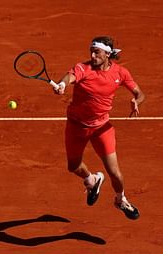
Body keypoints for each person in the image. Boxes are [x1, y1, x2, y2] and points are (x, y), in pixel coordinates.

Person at [54, 36, 145, 220]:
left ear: (108, 54)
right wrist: (63, 84)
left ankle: (121, 200)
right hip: (76, 126)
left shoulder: (120, 73)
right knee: (73, 166)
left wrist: (137, 101)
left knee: (115, 173)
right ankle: (92, 180)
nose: (92, 55)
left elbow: (139, 92)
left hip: (102, 128)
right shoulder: (83, 68)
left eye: (97, 52)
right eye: (91, 51)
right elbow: (70, 76)